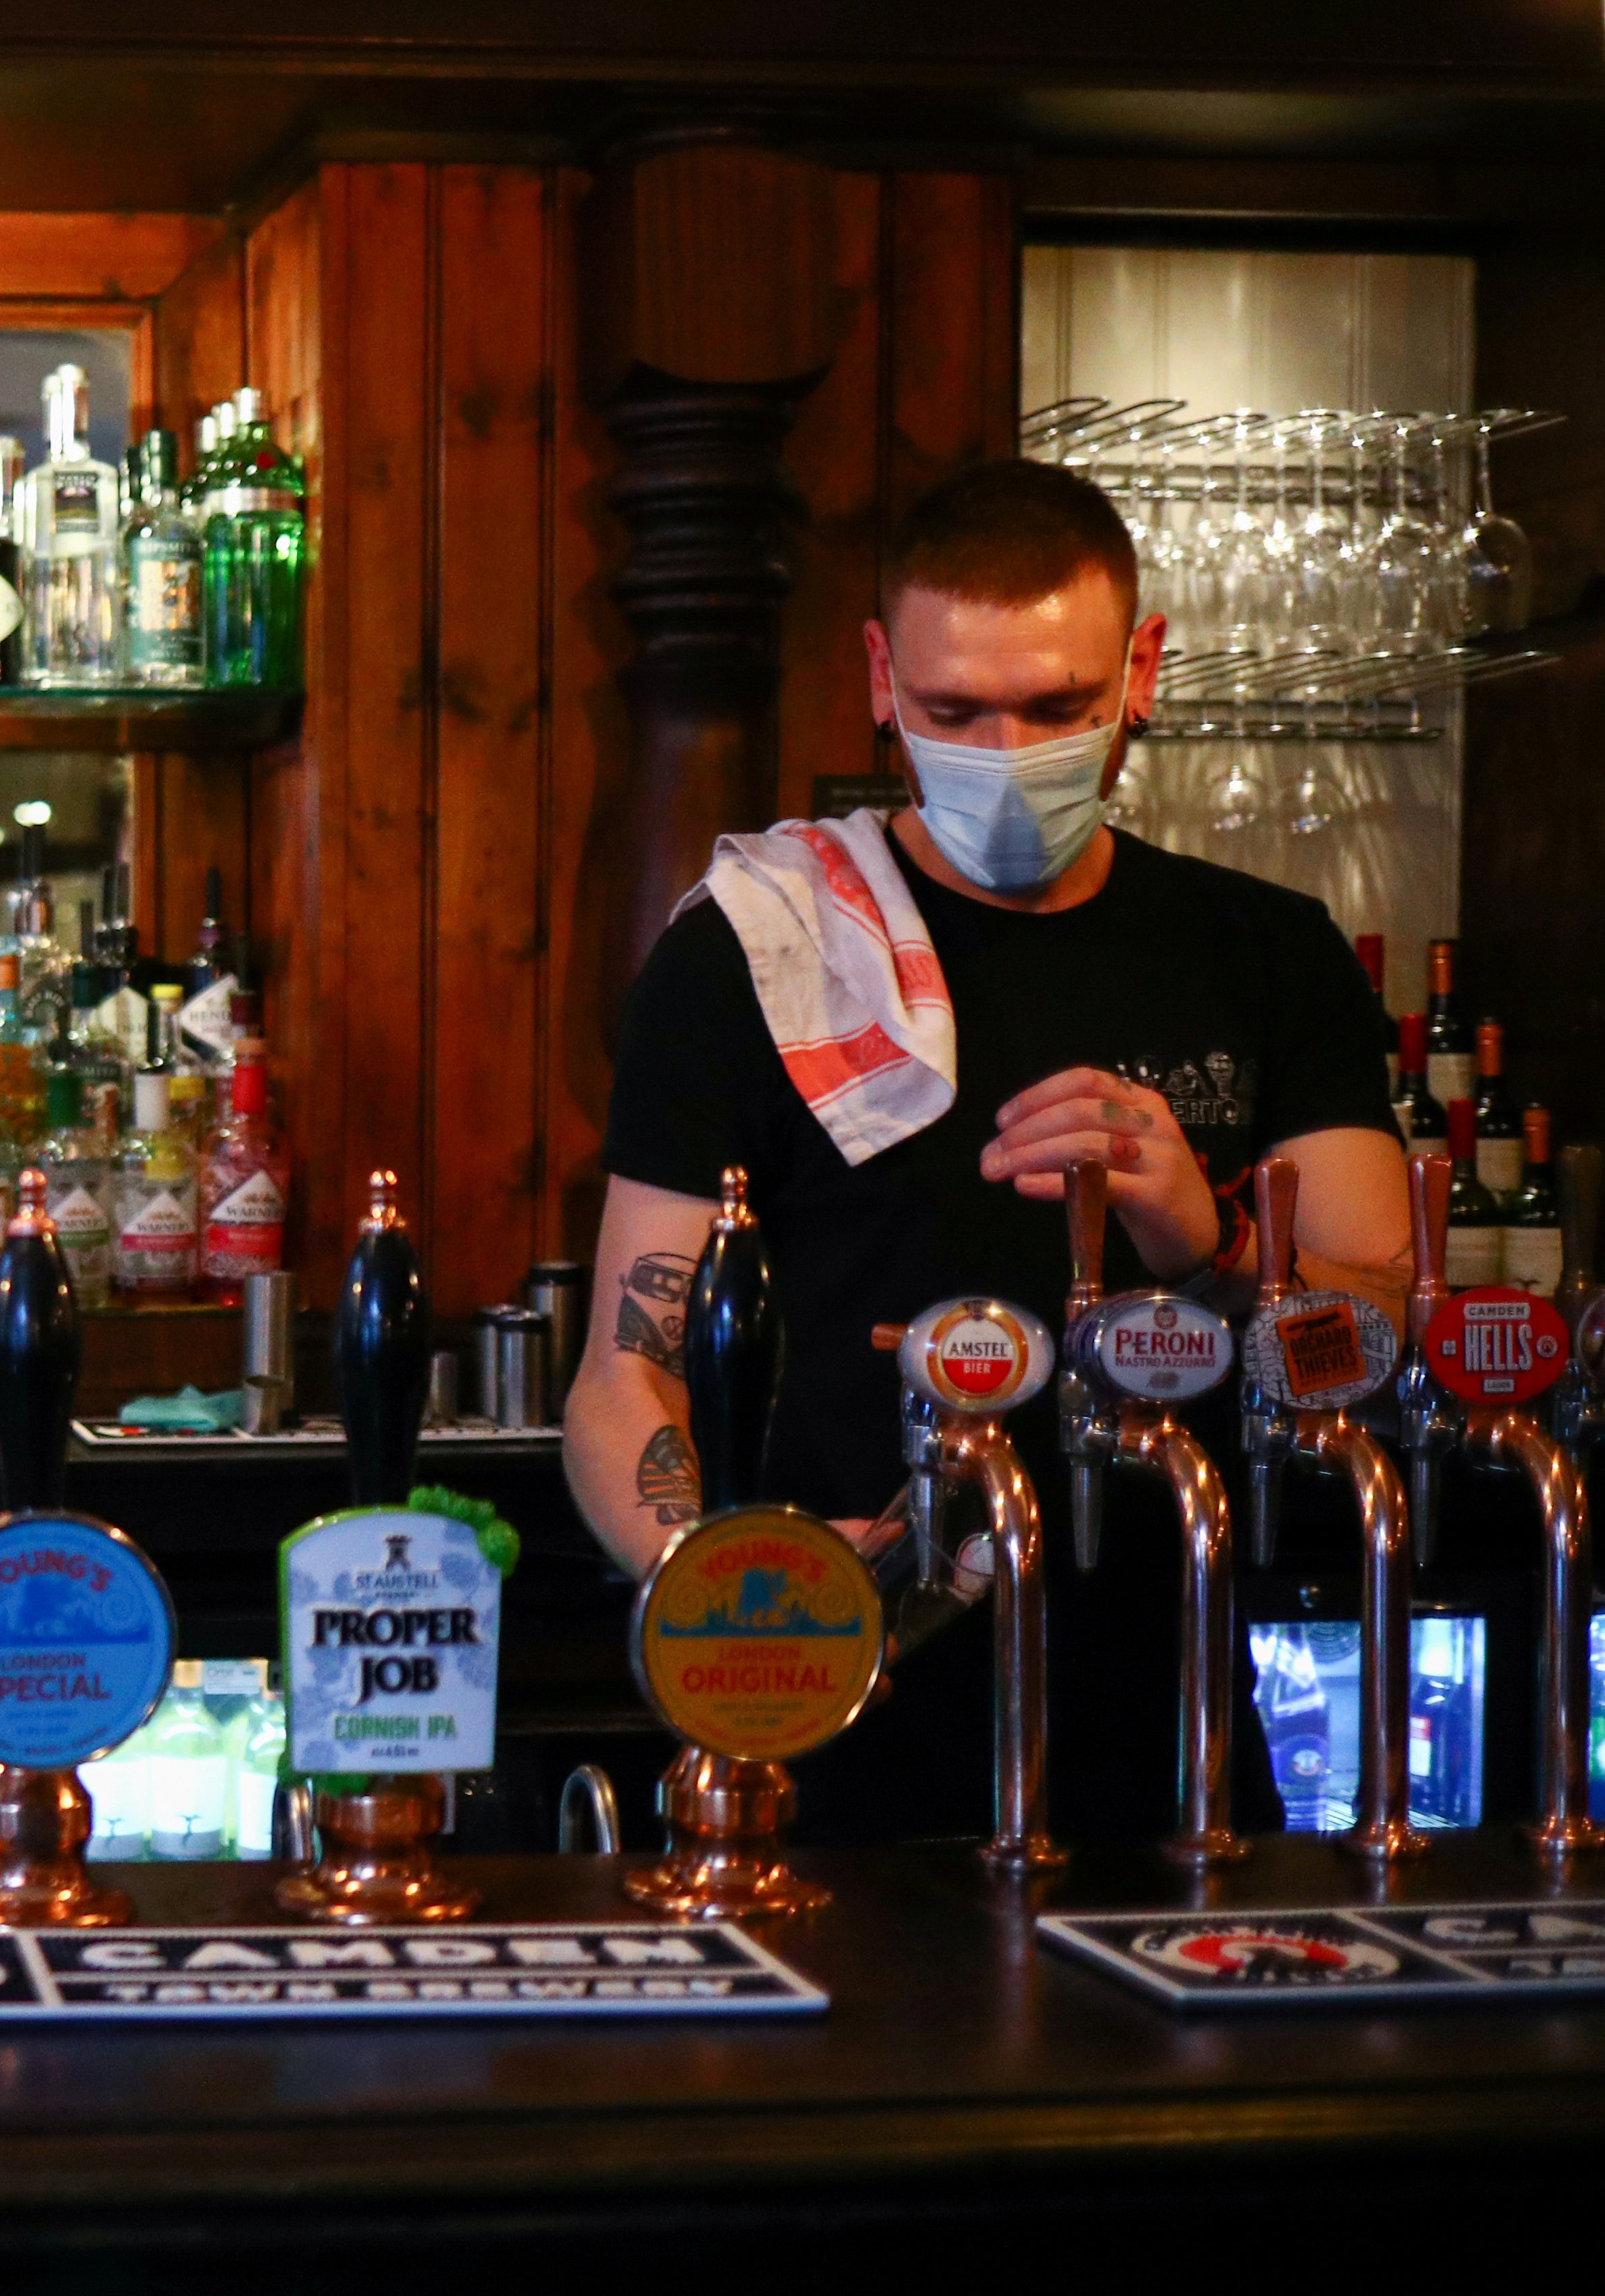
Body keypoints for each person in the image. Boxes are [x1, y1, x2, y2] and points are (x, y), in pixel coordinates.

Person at [562, 459, 1410, 1846]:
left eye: (1058, 707)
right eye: (955, 711)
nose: (1006, 754)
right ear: (883, 677)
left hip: (1166, 1714)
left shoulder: (1263, 954)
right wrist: (722, 1579)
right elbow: (626, 1359)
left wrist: (1217, 1245)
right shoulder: (761, 955)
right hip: (833, 1699)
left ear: (1142, 671)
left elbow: (1367, 1341)